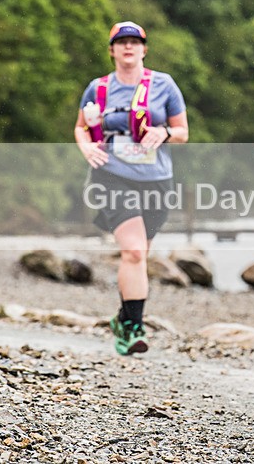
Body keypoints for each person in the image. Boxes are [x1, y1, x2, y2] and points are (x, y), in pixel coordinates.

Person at [74, 21, 189, 355]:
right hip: (112, 175)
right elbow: (81, 127)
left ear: (144, 48)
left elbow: (183, 132)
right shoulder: (98, 88)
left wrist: (164, 132)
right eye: (120, 42)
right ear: (111, 49)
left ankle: (123, 317)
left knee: (141, 255)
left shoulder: (163, 85)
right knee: (134, 252)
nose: (128, 47)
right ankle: (134, 329)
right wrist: (86, 147)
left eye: (134, 42)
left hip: (155, 179)